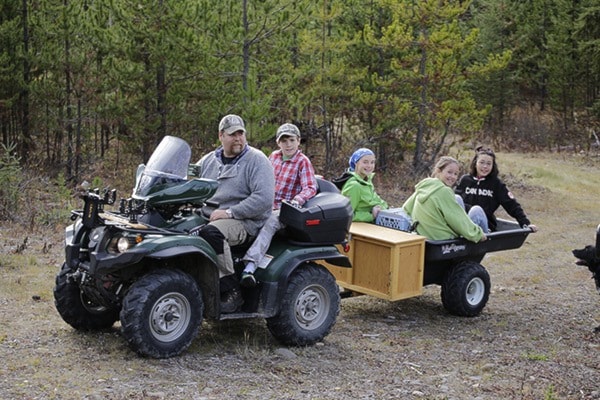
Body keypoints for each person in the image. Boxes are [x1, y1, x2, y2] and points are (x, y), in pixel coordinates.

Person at [195, 114, 275, 313]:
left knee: (211, 234)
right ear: (221, 136)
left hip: (246, 220)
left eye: (241, 133)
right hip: (210, 215)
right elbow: (189, 182)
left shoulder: (257, 161)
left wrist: (230, 212)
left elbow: (264, 199)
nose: (238, 138)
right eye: (233, 134)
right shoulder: (208, 161)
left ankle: (230, 291)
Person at [240, 123, 317, 287]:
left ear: (298, 141)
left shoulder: (302, 162)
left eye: (291, 140)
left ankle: (250, 266)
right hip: (266, 203)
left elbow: (310, 186)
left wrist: (297, 200)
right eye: (284, 141)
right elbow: (261, 178)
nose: (288, 144)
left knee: (270, 222)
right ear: (278, 142)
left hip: (285, 210)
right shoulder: (273, 157)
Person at [402, 156, 487, 242]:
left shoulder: (425, 185)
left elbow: (406, 208)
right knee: (477, 211)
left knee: (457, 198)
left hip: (426, 237)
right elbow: (457, 221)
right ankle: (487, 241)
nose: (452, 177)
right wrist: (478, 234)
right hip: (443, 240)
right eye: (449, 172)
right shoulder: (444, 191)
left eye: (456, 174)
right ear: (439, 171)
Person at [455, 146, 538, 233]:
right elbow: (454, 204)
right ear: (475, 163)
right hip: (463, 223)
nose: (485, 166)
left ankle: (469, 235)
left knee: (476, 210)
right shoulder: (465, 180)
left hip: (484, 226)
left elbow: (511, 204)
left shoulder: (496, 184)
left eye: (488, 164)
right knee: (456, 198)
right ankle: (458, 234)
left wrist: (525, 223)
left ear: (493, 166)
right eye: (482, 162)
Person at [341, 148, 389, 222]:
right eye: (365, 162)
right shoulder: (354, 186)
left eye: (372, 162)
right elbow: (346, 215)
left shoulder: (367, 181)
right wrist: (371, 215)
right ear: (356, 163)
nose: (369, 166)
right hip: (361, 228)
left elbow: (379, 201)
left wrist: (381, 207)